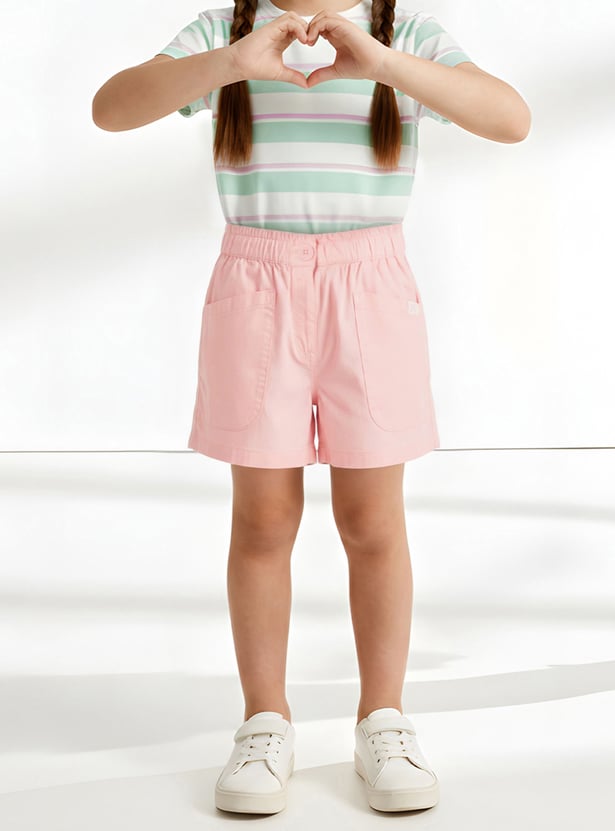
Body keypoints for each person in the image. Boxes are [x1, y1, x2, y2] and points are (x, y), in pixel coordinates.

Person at [92, 0, 530, 815]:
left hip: (371, 285)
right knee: (262, 519)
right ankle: (265, 721)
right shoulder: (227, 30)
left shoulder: (401, 34)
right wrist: (231, 63)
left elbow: (510, 118)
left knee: (372, 520)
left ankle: (382, 718)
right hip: (256, 284)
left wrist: (384, 63)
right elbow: (110, 109)